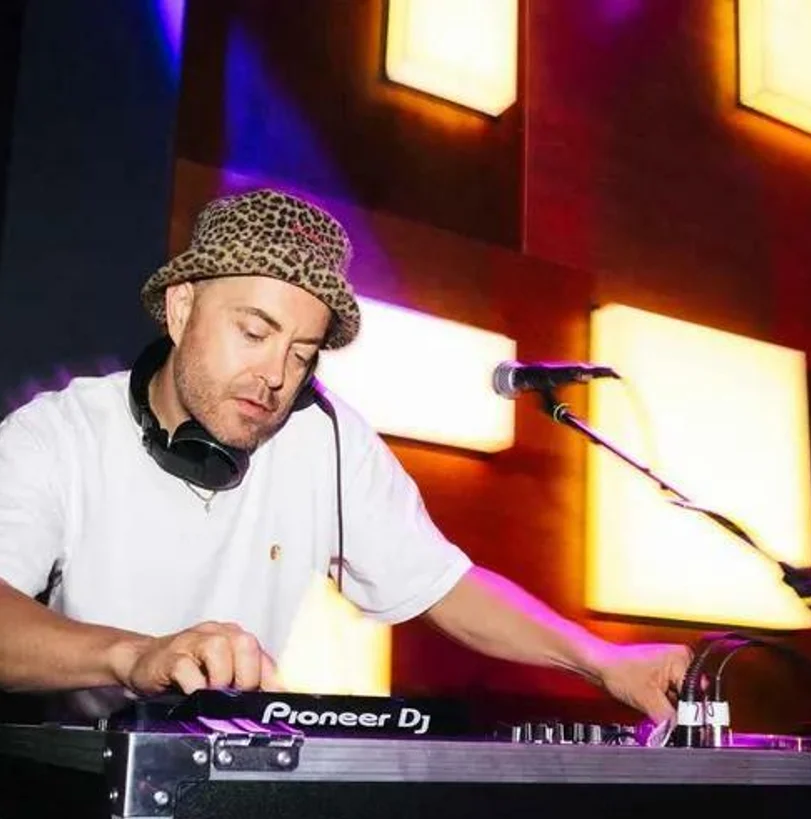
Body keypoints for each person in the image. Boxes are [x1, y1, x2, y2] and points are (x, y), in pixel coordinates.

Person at [0, 188, 691, 720]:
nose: (275, 376)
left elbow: (444, 586)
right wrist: (135, 656)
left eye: (302, 354)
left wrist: (603, 662)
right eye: (254, 332)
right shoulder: (62, 434)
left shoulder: (324, 437)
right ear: (181, 311)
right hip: (71, 803)